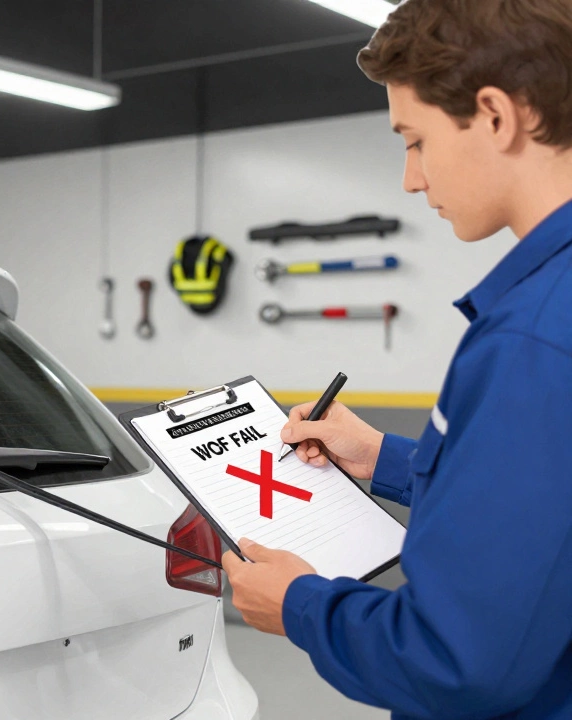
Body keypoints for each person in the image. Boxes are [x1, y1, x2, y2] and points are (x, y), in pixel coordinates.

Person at [222, 0, 572, 717]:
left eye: (414, 140)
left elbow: (455, 663)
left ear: (498, 116)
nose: (411, 180)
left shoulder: (533, 337)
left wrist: (298, 604)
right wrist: (382, 457)